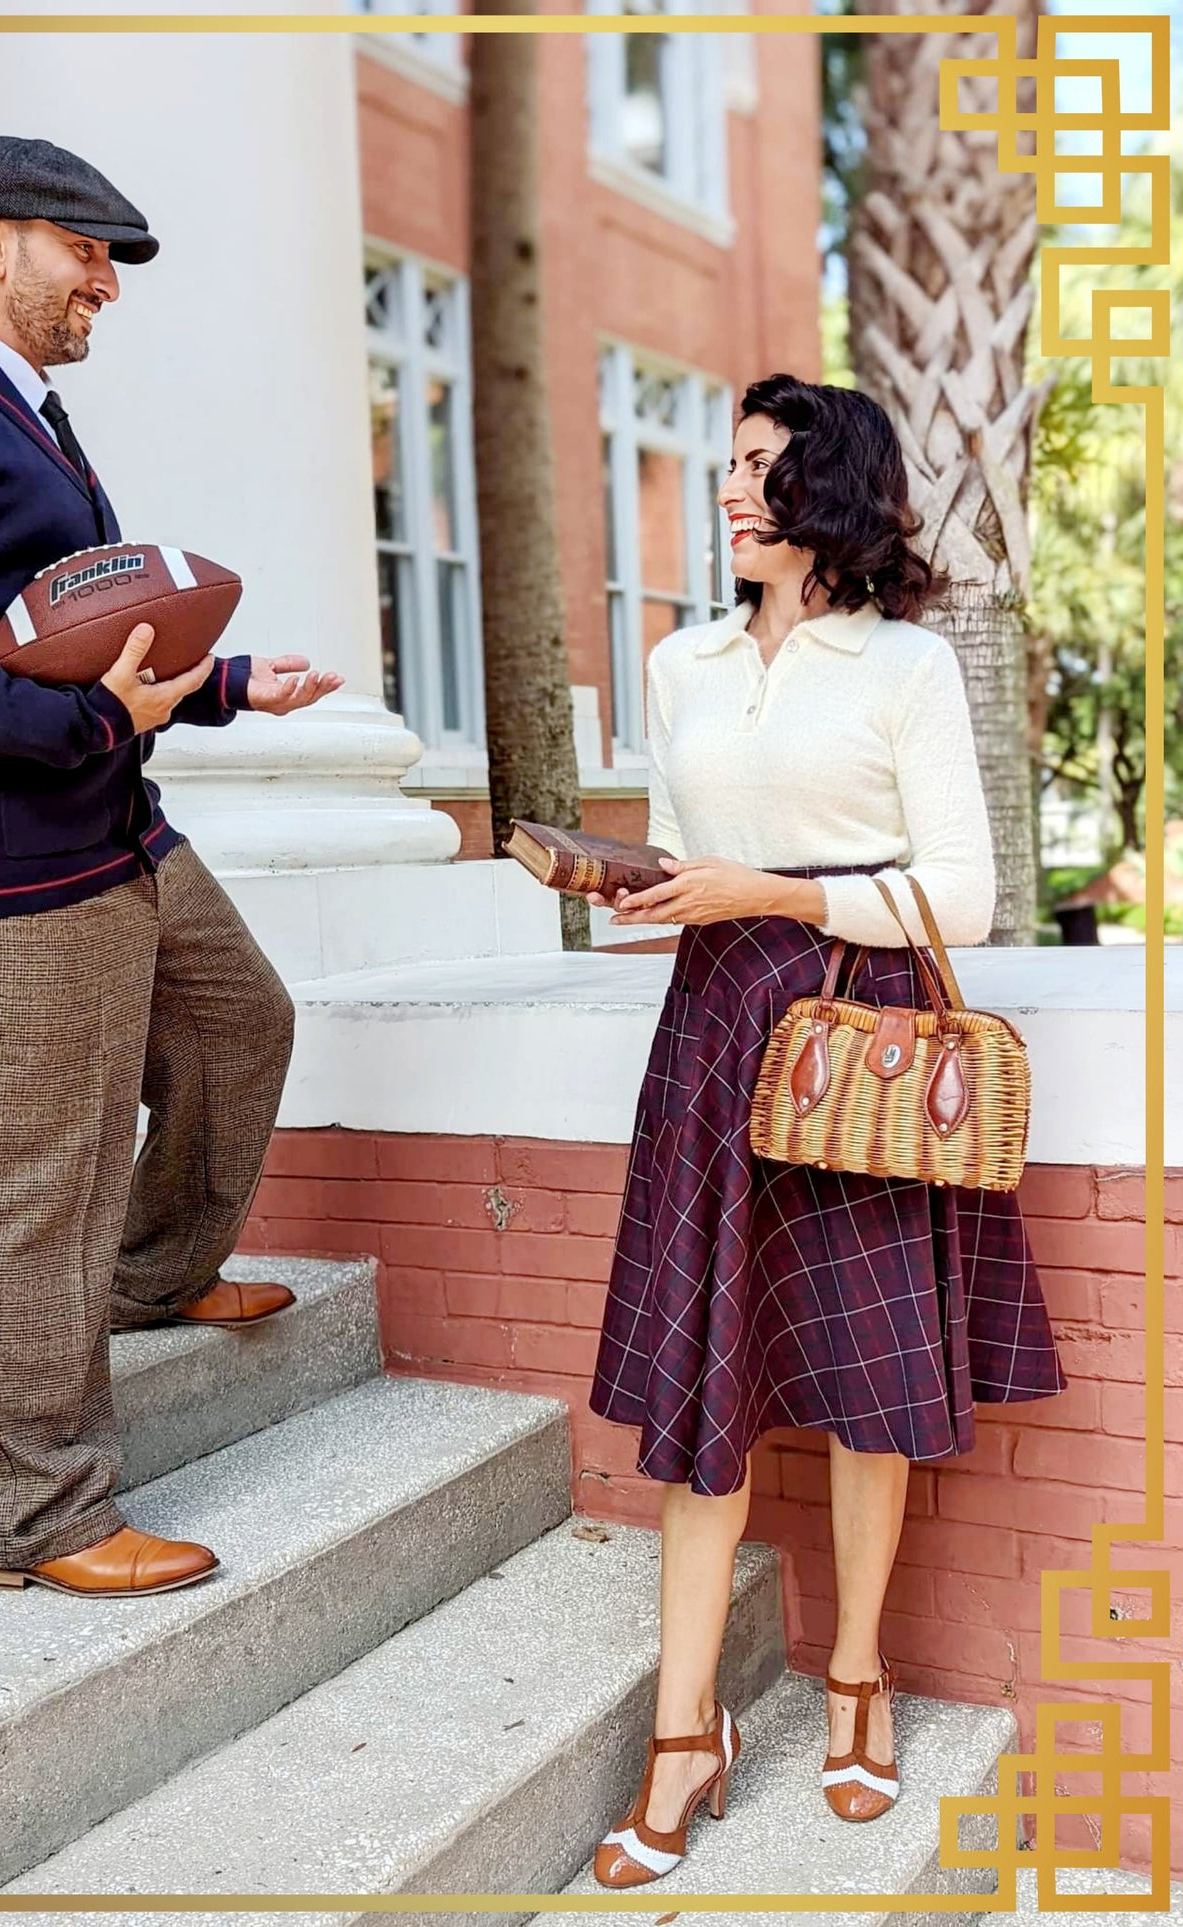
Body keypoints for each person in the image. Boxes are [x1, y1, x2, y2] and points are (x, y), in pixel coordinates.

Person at [0, 136, 344, 1601]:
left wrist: (224, 684)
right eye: (86, 250)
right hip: (6, 864)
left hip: (111, 823)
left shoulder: (24, 415)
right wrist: (86, 719)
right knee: (29, 1183)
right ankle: (38, 1518)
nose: (105, 280)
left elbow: (65, 627)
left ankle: (153, 1278)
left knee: (241, 1023)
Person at [585, 375, 1065, 1886]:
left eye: (755, 468)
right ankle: (685, 1730)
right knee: (703, 1388)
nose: (726, 490)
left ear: (830, 492)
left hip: (864, 1038)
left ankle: (854, 1676)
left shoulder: (906, 667)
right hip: (720, 1028)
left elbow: (967, 898)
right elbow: (692, 864)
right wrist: (636, 886)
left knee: (866, 1376)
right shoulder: (681, 662)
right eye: (724, 467)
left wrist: (774, 894)